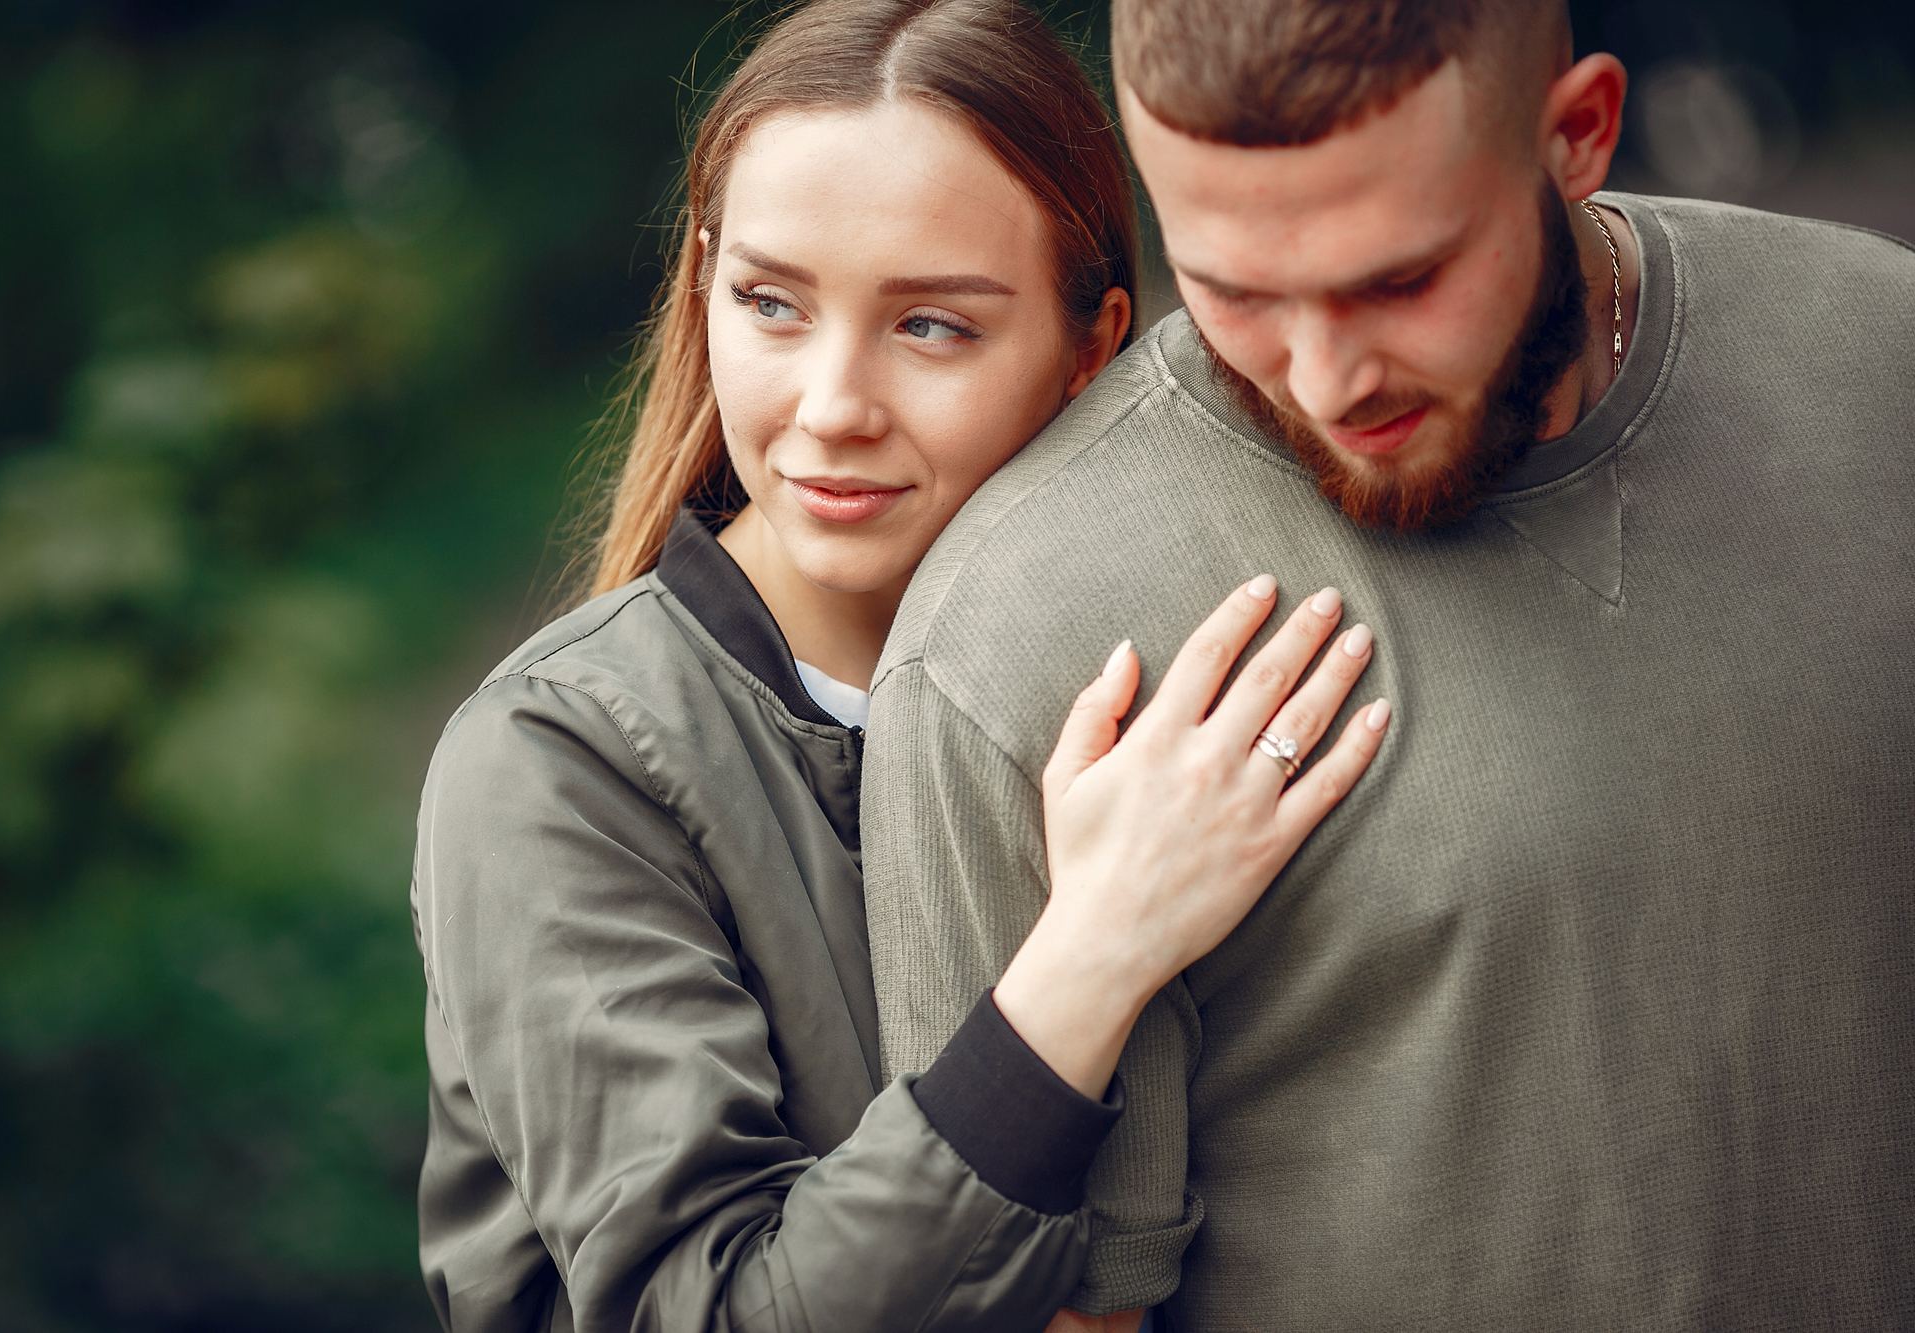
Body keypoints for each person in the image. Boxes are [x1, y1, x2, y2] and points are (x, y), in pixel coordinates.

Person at [862, 0, 1915, 1328]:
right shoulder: (1026, 637)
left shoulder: (1883, 363)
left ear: (1577, 133)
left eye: (1397, 279)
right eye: (1233, 289)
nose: (1325, 376)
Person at [410, 2, 1391, 1330]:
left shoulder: (1179, 703)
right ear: (703, 288)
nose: (832, 405)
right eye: (770, 303)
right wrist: (1096, 949)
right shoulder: (558, 761)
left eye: (932, 325)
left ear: (1090, 348)